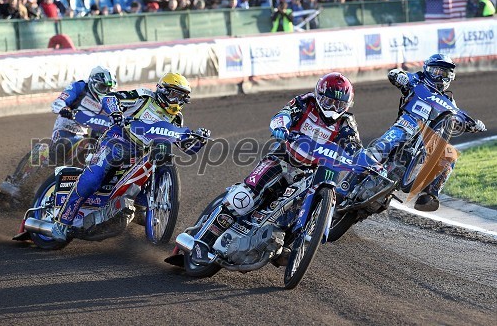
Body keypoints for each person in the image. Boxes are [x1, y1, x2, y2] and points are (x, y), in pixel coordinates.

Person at [190, 72, 361, 264]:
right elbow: (283, 115)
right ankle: (202, 243)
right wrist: (281, 127)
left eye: (339, 104)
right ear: (320, 95)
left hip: (309, 173)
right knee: (245, 197)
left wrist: (367, 163)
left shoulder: (346, 122)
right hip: (282, 159)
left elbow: (354, 145)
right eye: (329, 102)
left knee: (304, 208)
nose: (333, 108)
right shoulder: (305, 103)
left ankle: (287, 245)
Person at [50, 73, 211, 241]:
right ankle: (62, 221)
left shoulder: (176, 118)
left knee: (148, 177)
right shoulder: (144, 97)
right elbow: (111, 98)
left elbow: (186, 147)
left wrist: (200, 140)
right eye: (174, 94)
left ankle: (140, 210)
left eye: (181, 97)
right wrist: (116, 113)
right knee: (93, 178)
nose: (177, 100)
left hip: (142, 155)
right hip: (117, 140)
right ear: (163, 91)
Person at [367, 54, 487, 212]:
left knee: (450, 155)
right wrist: (399, 76)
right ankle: (366, 162)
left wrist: (474, 124)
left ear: (450, 76)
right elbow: (396, 74)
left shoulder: (449, 101)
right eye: (437, 71)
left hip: (429, 139)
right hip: (407, 124)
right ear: (428, 70)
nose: (440, 76)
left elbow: (460, 117)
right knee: (395, 135)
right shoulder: (417, 80)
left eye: (444, 73)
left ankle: (429, 196)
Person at [0, 66, 117, 198]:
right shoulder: (79, 87)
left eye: (109, 88)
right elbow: (58, 102)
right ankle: (16, 182)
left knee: (98, 152)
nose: (106, 91)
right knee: (53, 148)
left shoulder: (111, 101)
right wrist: (64, 109)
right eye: (102, 87)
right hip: (65, 129)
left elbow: (118, 118)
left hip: (85, 136)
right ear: (93, 83)